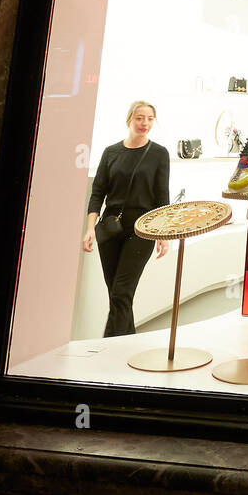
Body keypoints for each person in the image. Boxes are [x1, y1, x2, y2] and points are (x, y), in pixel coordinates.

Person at [82, 101, 169, 337]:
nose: (145, 123)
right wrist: (90, 228)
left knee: (121, 292)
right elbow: (98, 193)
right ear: (129, 119)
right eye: (140, 118)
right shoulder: (111, 152)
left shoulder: (159, 154)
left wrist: (164, 234)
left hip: (142, 230)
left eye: (150, 118)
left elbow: (162, 197)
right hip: (110, 229)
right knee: (117, 295)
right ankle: (125, 344)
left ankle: (109, 349)